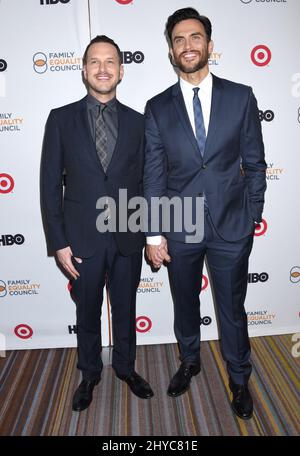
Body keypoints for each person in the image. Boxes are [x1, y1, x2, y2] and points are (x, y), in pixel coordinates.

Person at [144, 8, 266, 420]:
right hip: (180, 224)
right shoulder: (157, 107)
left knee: (232, 307)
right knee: (184, 302)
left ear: (209, 46)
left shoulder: (240, 96)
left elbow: (255, 161)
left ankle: (239, 377)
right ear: (171, 51)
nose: (188, 46)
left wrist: (253, 212)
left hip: (232, 223)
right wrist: (154, 234)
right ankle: (190, 360)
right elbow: (154, 174)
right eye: (179, 40)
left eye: (195, 37)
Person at [41, 35, 153, 412]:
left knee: (125, 307)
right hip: (81, 239)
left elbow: (146, 184)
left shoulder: (140, 123)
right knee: (86, 311)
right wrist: (58, 241)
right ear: (84, 70)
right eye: (95, 62)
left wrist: (150, 234)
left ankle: (125, 367)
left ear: (121, 71)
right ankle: (89, 373)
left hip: (127, 236)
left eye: (110, 62)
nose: (103, 68)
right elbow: (49, 185)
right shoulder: (60, 119)